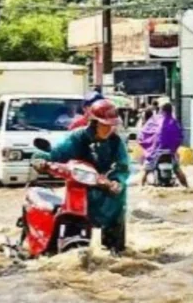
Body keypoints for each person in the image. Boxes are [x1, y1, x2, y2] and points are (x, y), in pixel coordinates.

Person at [32, 99, 130, 254]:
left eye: (111, 125)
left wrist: (117, 181)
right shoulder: (77, 138)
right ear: (94, 123)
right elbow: (56, 153)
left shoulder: (116, 143)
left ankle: (116, 251)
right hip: (82, 186)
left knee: (118, 210)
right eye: (104, 125)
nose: (108, 129)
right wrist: (40, 159)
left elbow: (122, 166)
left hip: (106, 189)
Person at [138, 102, 189, 188]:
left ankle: (141, 186)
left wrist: (144, 142)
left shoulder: (155, 120)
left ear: (161, 110)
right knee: (177, 169)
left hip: (155, 151)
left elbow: (144, 133)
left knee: (146, 170)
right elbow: (179, 137)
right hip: (170, 151)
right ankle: (187, 187)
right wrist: (173, 147)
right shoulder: (174, 122)